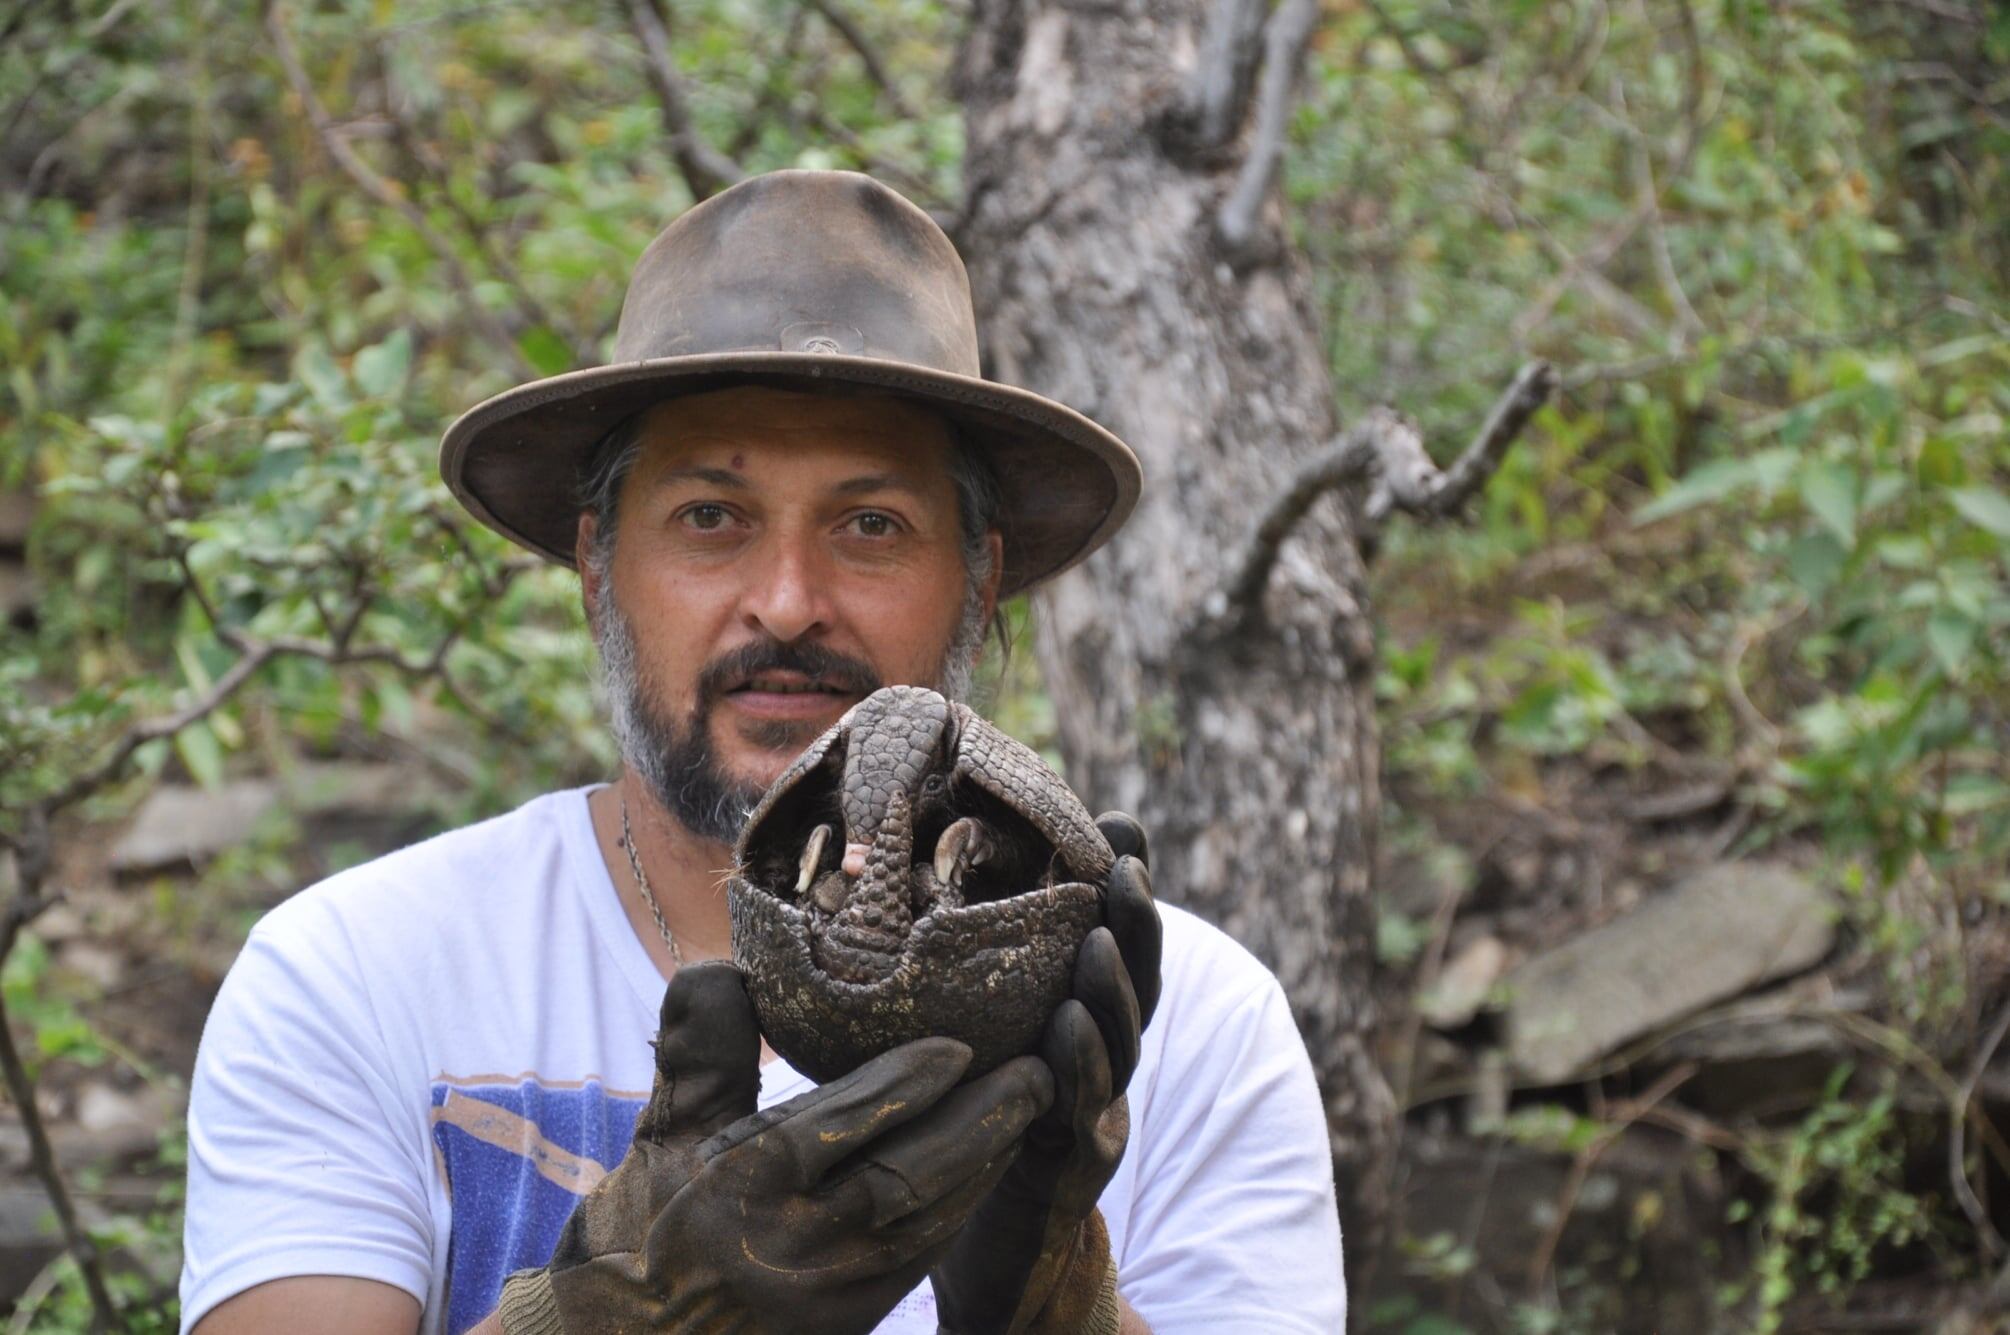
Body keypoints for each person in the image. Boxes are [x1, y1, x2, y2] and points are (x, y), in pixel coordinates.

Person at [178, 170, 1344, 1334]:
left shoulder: (1181, 1028)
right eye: (710, 518)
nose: (787, 603)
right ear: (599, 568)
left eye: (870, 525)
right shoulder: (361, 976)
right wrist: (609, 1317)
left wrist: (1055, 1307)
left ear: (979, 581)